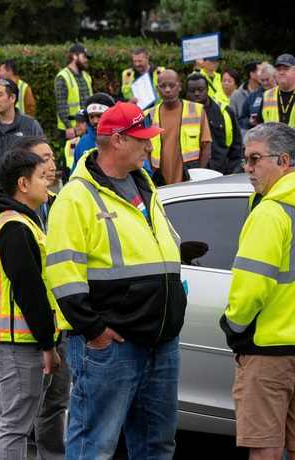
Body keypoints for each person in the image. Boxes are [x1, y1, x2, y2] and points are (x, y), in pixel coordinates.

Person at [46, 102, 187, 459]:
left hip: (159, 340)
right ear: (119, 141)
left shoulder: (146, 187)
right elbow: (63, 274)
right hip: (111, 345)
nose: (150, 147)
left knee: (156, 445)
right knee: (95, 444)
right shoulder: (76, 196)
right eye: (143, 140)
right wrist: (94, 331)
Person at [0, 147, 61, 460]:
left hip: (9, 339)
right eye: (42, 176)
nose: (48, 182)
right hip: (19, 341)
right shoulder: (15, 226)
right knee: (15, 426)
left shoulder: (8, 219)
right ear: (23, 184)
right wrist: (48, 344)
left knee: (7, 420)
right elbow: (30, 290)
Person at [220, 122, 295, 460]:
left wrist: (233, 327)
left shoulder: (271, 212)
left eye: (254, 159)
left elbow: (251, 288)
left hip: (269, 352)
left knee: (265, 446)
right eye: (245, 161)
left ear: (283, 160)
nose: (248, 169)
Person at [0, 78, 43, 208]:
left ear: (12, 98)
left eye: (0, 95)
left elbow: (42, 161)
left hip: (22, 202)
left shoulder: (30, 126)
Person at [146, 69, 211, 185]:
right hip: (159, 181)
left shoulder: (197, 110)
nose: (167, 90)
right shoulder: (148, 115)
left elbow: (206, 145)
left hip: (190, 179)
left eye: (172, 85)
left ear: (179, 87)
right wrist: (151, 178)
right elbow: (144, 150)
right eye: (162, 86)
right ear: (157, 89)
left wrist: (199, 176)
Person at [185, 72, 243, 175]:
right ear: (187, 93)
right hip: (192, 174)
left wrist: (230, 173)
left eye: (201, 89)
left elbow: (236, 146)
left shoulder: (224, 112)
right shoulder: (183, 115)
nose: (197, 93)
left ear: (207, 90)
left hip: (223, 172)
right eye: (192, 90)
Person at [55, 44, 93, 141]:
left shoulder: (86, 76)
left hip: (86, 126)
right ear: (74, 56)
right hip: (72, 128)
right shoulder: (63, 77)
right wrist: (68, 126)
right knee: (71, 156)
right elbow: (61, 105)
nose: (86, 60)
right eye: (84, 57)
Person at [71, 92, 116, 174]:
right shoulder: (83, 142)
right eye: (91, 117)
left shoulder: (122, 140)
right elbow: (74, 174)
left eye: (99, 116)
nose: (95, 121)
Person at [256, 54, 295, 127]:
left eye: (286, 69)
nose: (281, 72)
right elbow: (260, 127)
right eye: (279, 69)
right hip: (272, 138)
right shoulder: (267, 95)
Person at [239, 64, 276, 136]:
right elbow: (241, 120)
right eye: (262, 80)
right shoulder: (253, 96)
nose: (265, 83)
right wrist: (249, 122)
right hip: (259, 138)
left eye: (267, 80)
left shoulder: (282, 93)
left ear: (274, 77)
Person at [61, 108, 87, 184]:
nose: (77, 125)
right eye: (76, 121)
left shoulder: (98, 142)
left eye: (81, 122)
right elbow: (65, 174)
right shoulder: (71, 143)